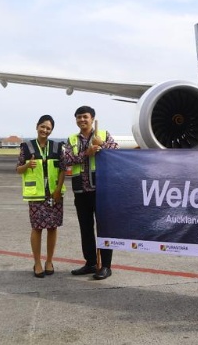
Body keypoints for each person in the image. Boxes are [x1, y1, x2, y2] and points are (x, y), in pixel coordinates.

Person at [61, 106, 119, 280]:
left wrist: (101, 144)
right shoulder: (72, 139)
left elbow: (116, 152)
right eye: (79, 117)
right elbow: (66, 160)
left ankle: (106, 266)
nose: (82, 120)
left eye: (85, 117)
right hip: (81, 191)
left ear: (92, 118)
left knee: (104, 229)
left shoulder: (103, 134)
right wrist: (88, 153)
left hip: (101, 191)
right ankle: (91, 263)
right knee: (85, 229)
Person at [16, 115, 65, 278]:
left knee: (52, 227)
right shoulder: (27, 147)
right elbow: (18, 169)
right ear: (37, 126)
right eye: (43, 126)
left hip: (54, 193)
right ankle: (37, 262)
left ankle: (49, 261)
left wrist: (58, 190)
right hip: (36, 194)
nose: (45, 130)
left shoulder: (58, 147)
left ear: (51, 131)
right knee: (37, 228)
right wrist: (27, 165)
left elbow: (63, 169)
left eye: (48, 128)